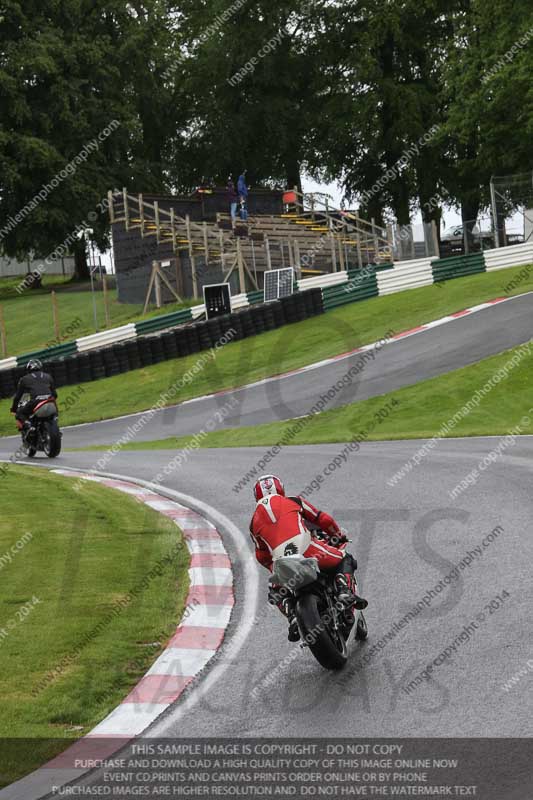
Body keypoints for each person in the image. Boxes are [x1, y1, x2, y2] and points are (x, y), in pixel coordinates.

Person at [250, 474, 367, 642]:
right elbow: (323, 519)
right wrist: (337, 535)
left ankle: (293, 617)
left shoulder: (253, 522)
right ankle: (344, 592)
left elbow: (261, 555)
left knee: (275, 589)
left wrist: (275, 568)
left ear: (257, 496)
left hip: (281, 562)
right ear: (281, 489)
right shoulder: (294, 501)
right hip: (308, 550)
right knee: (345, 558)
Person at [10, 359, 57, 431]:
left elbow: (18, 397)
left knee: (19, 413)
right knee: (54, 407)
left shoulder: (24, 379)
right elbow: (55, 394)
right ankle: (55, 420)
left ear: (28, 369)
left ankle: (29, 425)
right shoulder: (48, 376)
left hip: (35, 402)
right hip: (49, 401)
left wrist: (13, 409)